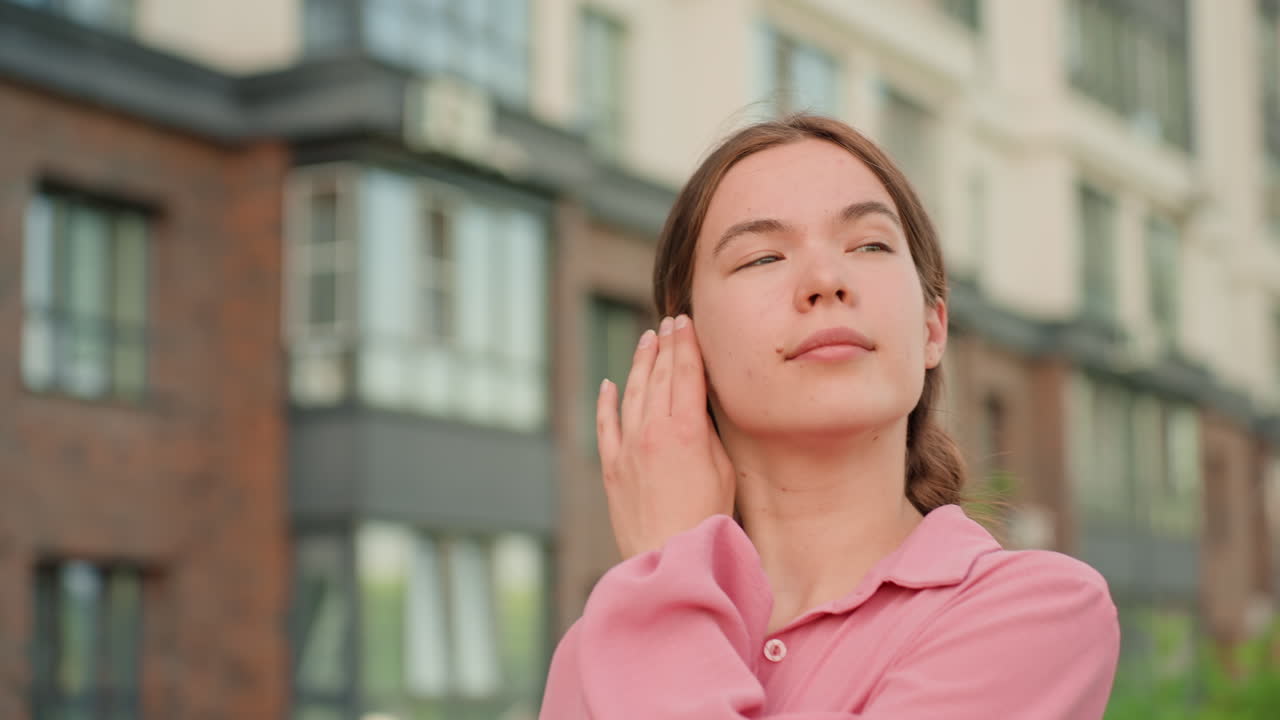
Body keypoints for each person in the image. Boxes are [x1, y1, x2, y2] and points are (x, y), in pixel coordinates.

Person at [538, 114, 1119, 719]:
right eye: (762, 257)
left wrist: (666, 579)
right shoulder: (594, 654)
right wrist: (668, 582)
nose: (825, 280)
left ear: (931, 327)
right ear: (686, 342)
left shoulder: (1034, 611)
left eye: (869, 245)